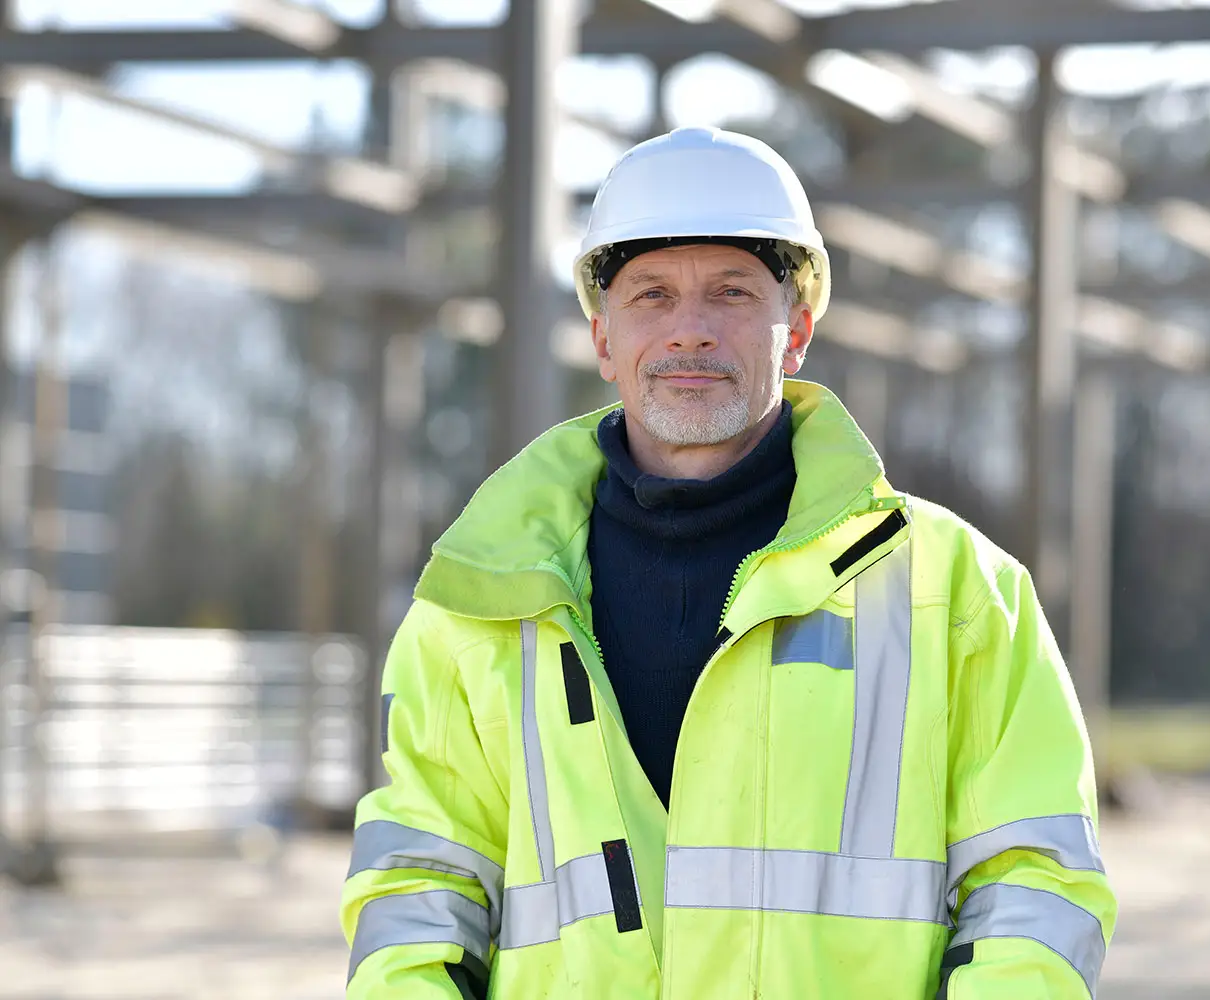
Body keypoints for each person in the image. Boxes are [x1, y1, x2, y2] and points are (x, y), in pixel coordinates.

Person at [341, 126, 1116, 999]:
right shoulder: (480, 601)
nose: (691, 331)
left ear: (798, 332)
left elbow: (1033, 882)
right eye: (652, 295)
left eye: (733, 293)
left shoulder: (960, 594)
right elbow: (421, 886)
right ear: (603, 339)